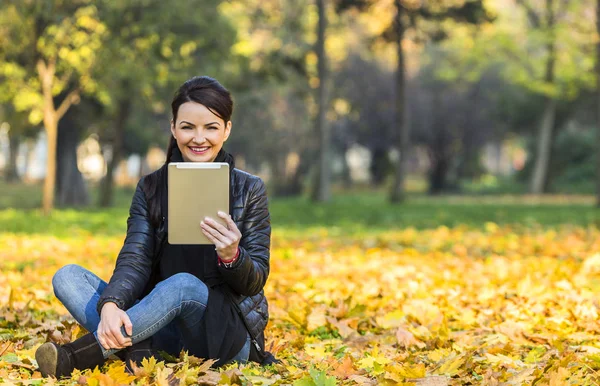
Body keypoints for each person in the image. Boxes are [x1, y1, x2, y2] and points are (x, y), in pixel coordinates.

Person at [35, 76, 275, 378]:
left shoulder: (249, 189)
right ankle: (138, 346)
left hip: (226, 338)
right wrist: (111, 303)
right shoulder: (151, 188)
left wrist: (232, 256)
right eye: (188, 127)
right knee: (67, 276)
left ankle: (79, 355)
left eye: (211, 127)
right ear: (174, 128)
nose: (199, 138)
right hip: (161, 327)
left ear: (226, 130)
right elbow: (136, 257)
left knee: (183, 284)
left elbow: (255, 281)